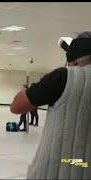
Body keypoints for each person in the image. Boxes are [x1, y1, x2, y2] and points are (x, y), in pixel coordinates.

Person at [10, 32, 91, 179]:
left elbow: (16, 106)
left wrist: (27, 90)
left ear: (73, 60)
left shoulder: (63, 76)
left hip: (57, 168)